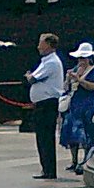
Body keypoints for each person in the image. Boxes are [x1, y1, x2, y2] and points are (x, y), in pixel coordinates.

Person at [25, 32, 64, 180]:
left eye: (41, 43)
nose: (38, 46)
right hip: (42, 103)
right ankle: (45, 168)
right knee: (42, 137)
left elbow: (33, 78)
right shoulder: (46, 60)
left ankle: (49, 170)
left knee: (45, 137)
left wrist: (29, 76)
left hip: (47, 103)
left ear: (48, 45)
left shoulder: (51, 62)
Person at [61, 44, 94, 174]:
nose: (81, 60)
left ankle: (86, 160)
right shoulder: (75, 69)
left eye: (83, 58)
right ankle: (74, 161)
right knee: (71, 134)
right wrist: (68, 80)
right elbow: (65, 88)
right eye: (79, 58)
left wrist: (79, 80)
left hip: (88, 104)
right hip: (74, 105)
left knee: (87, 134)